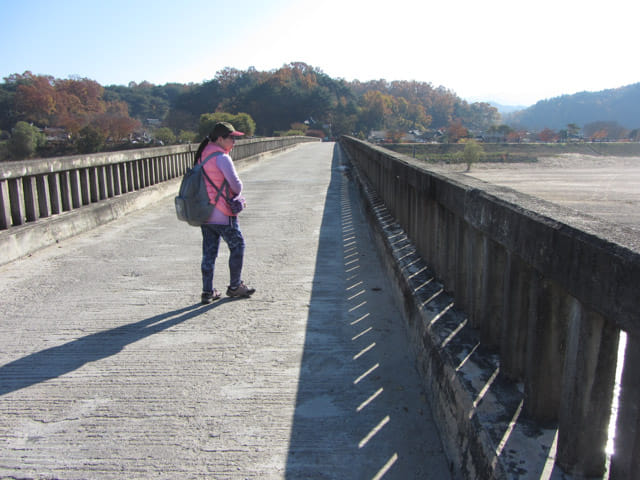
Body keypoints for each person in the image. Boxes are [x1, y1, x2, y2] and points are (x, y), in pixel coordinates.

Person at [193, 122, 255, 304]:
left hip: (206, 213)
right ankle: (235, 286)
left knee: (209, 252)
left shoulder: (202, 155)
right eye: (232, 138)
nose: (234, 141)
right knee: (237, 246)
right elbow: (236, 185)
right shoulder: (222, 158)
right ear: (220, 139)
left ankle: (207, 291)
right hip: (222, 213)